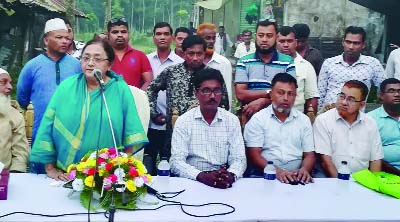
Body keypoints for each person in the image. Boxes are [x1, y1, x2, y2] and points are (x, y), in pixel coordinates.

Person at [29, 39, 148, 180]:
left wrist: (119, 171)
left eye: (97, 59)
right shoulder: (67, 87)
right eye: (85, 58)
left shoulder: (120, 89)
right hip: (66, 174)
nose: (90, 63)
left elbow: (131, 132)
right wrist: (50, 169)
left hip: (106, 177)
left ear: (109, 64)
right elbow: (47, 127)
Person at [147, 36, 230, 161]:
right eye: (191, 54)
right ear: (184, 53)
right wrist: (154, 113)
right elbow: (151, 90)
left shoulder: (212, 75)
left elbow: (224, 103)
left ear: (204, 53)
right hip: (174, 134)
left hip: (206, 135)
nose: (195, 58)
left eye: (199, 54)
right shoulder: (171, 72)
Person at [170, 68, 246, 188]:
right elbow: (176, 161)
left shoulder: (231, 120)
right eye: (206, 91)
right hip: (193, 181)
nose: (212, 96)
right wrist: (201, 176)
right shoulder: (184, 121)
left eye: (217, 90)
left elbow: (239, 159)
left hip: (224, 181)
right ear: (196, 93)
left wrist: (231, 175)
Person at [17, 18, 81, 147]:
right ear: (46, 40)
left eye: (66, 38)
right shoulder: (32, 66)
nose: (65, 41)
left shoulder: (77, 66)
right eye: (59, 37)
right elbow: (22, 98)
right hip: (41, 132)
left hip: (72, 133)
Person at [244, 73, 315, 183]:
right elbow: (254, 154)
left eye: (290, 94)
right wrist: (277, 171)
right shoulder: (258, 119)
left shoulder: (304, 120)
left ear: (295, 96)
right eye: (280, 93)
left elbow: (309, 155)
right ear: (271, 94)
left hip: (297, 175)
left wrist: (304, 170)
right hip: (265, 174)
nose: (286, 98)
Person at [314, 80, 383, 177]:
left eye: (351, 99)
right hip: (331, 179)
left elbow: (375, 160)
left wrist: (374, 186)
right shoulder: (323, 120)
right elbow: (326, 162)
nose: (344, 102)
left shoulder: (370, 123)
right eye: (342, 96)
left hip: (363, 182)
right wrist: (342, 186)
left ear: (362, 105)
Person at [235, 20, 295, 121]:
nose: (264, 39)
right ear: (255, 36)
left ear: (276, 37)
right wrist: (270, 92)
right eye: (261, 35)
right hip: (250, 119)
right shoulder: (244, 61)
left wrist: (263, 101)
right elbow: (241, 94)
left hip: (279, 120)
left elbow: (288, 95)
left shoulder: (287, 62)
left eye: (269, 36)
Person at [145, 22, 184, 175]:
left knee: (169, 161)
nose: (162, 37)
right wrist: (152, 113)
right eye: (158, 34)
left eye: (166, 34)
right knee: (148, 161)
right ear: (153, 38)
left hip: (173, 123)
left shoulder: (180, 63)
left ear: (172, 38)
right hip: (149, 121)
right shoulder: (145, 60)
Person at [318, 26, 386, 109]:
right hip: (329, 114)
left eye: (356, 43)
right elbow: (320, 92)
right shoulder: (329, 63)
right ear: (343, 42)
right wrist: (318, 115)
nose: (351, 47)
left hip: (356, 117)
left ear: (363, 45)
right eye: (348, 42)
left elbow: (385, 89)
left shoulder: (372, 64)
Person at [276, 26, 319, 113]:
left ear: (296, 42)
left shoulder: (306, 67)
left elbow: (312, 98)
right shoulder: (268, 64)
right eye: (282, 41)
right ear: (276, 42)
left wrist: (310, 120)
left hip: (297, 119)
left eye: (289, 41)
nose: (286, 45)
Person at [107, 17, 153, 90]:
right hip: (108, 100)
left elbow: (149, 81)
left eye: (123, 32)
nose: (120, 35)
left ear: (129, 34)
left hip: (134, 100)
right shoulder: (103, 56)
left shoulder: (140, 56)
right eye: (115, 32)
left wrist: (137, 97)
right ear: (108, 35)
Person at [368, 78, 400, 176]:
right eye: (391, 91)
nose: (397, 94)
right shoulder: (370, 119)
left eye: (399, 91)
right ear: (381, 96)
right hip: (387, 174)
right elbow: (367, 156)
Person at [0, 68, 29, 172]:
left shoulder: (15, 116)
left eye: (10, 83)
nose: (10, 87)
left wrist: (16, 173)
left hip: (4, 178)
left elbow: (20, 152)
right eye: (3, 82)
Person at [197, 23, 233, 107]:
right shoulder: (194, 62)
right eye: (207, 38)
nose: (211, 41)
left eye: (213, 38)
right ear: (199, 39)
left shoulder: (223, 63)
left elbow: (227, 92)